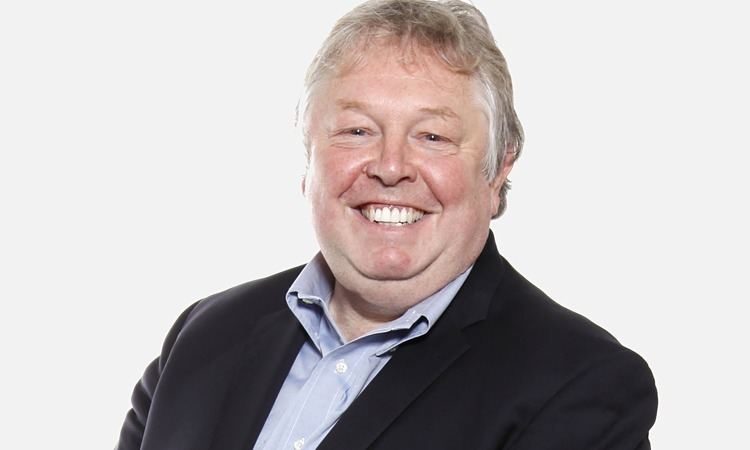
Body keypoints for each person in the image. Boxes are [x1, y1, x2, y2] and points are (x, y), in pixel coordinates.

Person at [117, 0, 658, 449]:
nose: (390, 167)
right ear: (308, 157)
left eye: (433, 137)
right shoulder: (205, 334)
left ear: (498, 169)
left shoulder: (581, 386)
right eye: (356, 131)